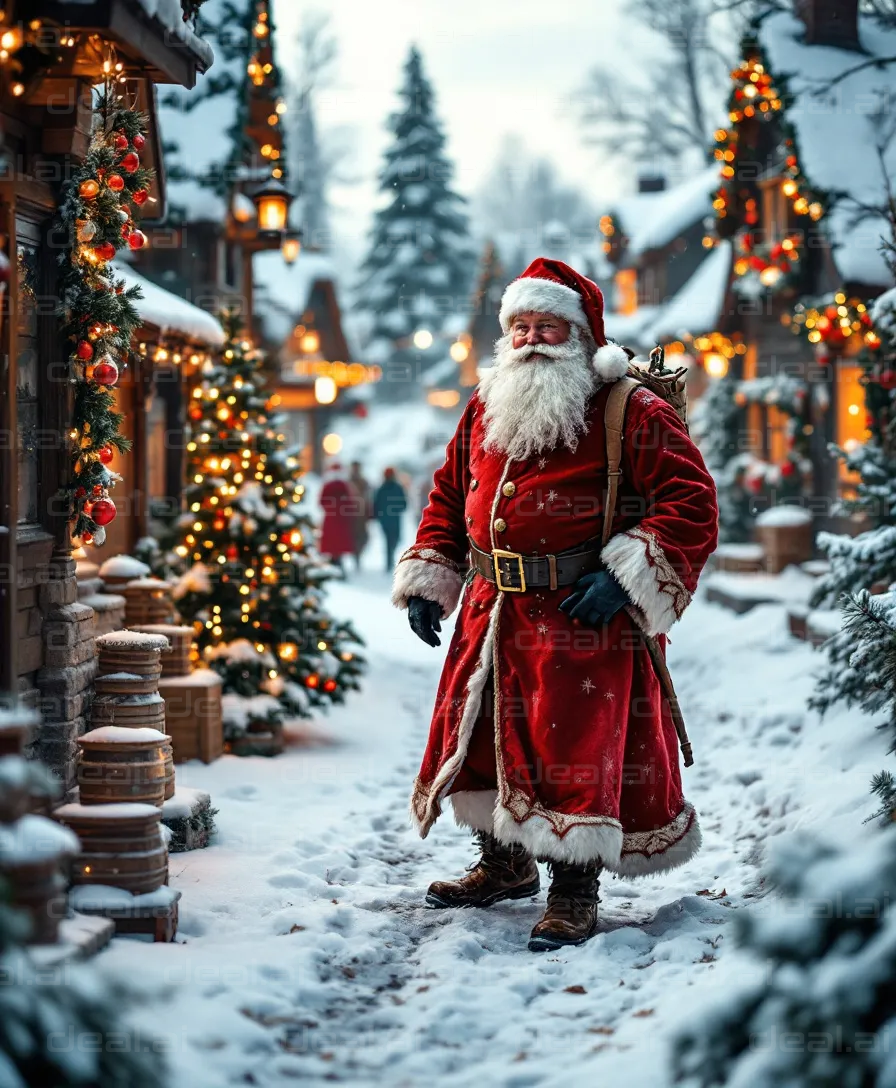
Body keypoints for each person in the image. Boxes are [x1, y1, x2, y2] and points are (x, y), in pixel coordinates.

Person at [391, 258, 718, 952]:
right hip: (491, 611)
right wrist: (430, 578)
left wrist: (627, 577)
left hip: (582, 617)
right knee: (476, 734)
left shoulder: (631, 408)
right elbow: (449, 498)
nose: (532, 339)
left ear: (580, 334)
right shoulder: (483, 408)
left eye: (547, 326)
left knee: (574, 750)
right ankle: (503, 864)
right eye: (521, 327)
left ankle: (573, 891)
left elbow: (691, 503)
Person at [318, 462, 357, 576]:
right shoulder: (344, 486)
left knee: (332, 546)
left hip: (331, 520)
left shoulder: (328, 485)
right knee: (338, 546)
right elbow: (350, 502)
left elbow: (321, 502)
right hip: (341, 521)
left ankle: (334, 566)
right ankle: (337, 566)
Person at [373, 467, 407, 572]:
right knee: (390, 541)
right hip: (388, 520)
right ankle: (389, 561)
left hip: (391, 520)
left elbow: (403, 503)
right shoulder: (383, 488)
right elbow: (376, 503)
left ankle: (390, 558)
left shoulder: (395, 488)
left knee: (393, 540)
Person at [348, 461, 373, 570]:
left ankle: (358, 555)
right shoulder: (348, 481)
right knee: (353, 537)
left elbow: (369, 497)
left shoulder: (364, 482)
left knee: (363, 537)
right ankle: (356, 557)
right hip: (351, 515)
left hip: (362, 515)